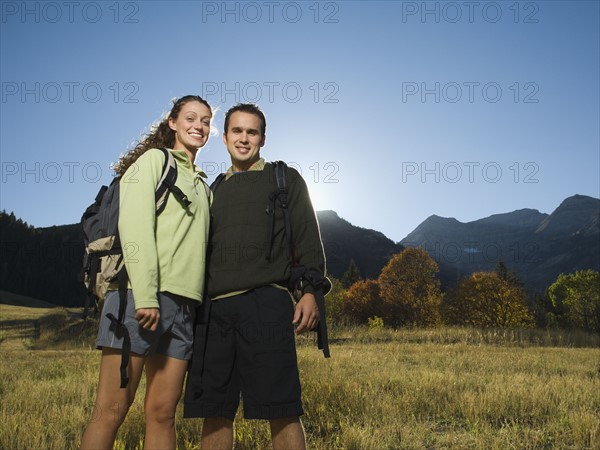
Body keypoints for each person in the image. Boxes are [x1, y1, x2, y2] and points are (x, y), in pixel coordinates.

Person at [183, 103, 329, 449]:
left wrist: (310, 291)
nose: (244, 139)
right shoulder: (211, 189)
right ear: (224, 137)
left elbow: (308, 237)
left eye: (252, 132)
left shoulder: (284, 178)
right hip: (213, 312)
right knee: (214, 411)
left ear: (262, 138)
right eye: (237, 131)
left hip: (265, 303)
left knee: (282, 408)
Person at [80, 95, 213, 449]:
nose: (199, 125)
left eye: (206, 120)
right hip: (137, 298)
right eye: (190, 117)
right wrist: (148, 296)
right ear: (172, 123)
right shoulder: (154, 161)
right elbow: (135, 228)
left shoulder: (203, 185)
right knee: (110, 411)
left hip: (185, 308)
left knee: (162, 414)